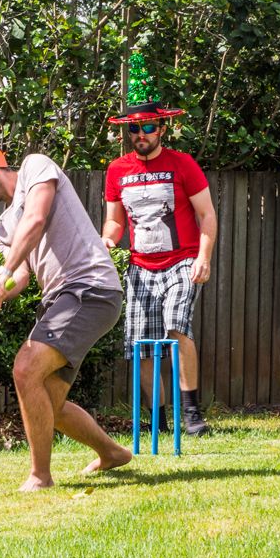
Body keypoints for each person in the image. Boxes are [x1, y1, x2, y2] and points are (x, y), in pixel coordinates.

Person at [0, 139, 131, 491]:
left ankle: (40, 476)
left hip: (88, 288)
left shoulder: (36, 166)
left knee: (25, 367)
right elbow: (21, 276)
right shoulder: (4, 227)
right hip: (62, 298)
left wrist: (2, 277)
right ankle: (112, 453)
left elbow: (36, 218)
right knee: (49, 400)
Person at [102, 56, 217, 436]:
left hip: (181, 262)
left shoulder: (183, 164)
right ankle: (159, 419)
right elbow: (115, 221)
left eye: (148, 127)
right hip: (140, 266)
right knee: (141, 345)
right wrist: (106, 241)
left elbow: (207, 216)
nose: (141, 135)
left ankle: (191, 414)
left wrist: (203, 257)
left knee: (176, 328)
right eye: (134, 129)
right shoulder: (118, 171)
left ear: (161, 127)